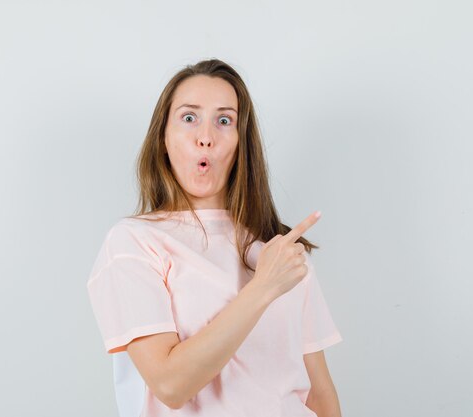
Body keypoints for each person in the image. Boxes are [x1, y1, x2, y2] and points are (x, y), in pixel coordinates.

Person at [86, 58, 344, 417]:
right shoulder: (133, 242)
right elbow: (170, 385)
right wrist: (263, 286)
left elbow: (320, 395)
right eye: (189, 117)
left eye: (224, 121)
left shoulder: (280, 251)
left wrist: (277, 272)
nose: (205, 136)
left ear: (241, 144)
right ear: (163, 138)